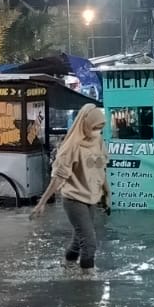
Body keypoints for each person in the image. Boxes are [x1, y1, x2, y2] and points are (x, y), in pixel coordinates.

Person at [31, 104, 109, 269]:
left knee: (78, 240)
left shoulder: (98, 141)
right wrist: (42, 203)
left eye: (101, 127)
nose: (98, 131)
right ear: (85, 124)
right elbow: (58, 178)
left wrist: (106, 194)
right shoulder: (71, 147)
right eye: (95, 127)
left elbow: (101, 170)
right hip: (74, 198)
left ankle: (67, 266)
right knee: (89, 243)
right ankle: (87, 284)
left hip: (92, 196)